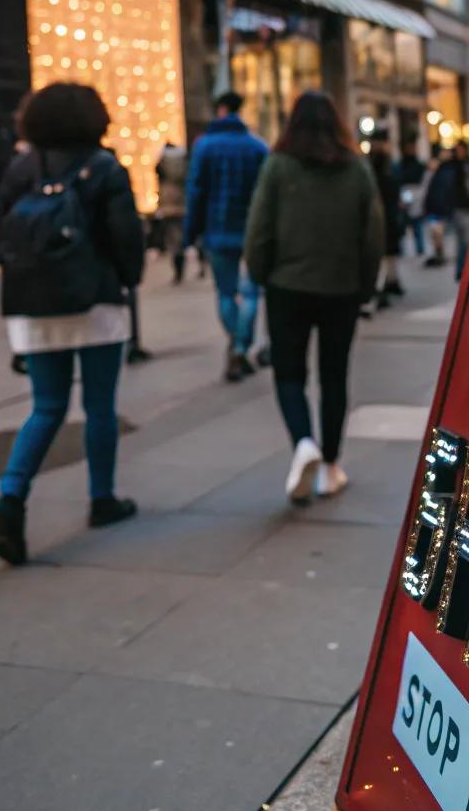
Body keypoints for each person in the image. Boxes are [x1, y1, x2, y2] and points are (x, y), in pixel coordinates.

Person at [0, 82, 145, 566]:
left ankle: (11, 497)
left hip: (34, 305)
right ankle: (102, 499)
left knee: (46, 407)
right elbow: (125, 237)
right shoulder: (105, 167)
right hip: (94, 300)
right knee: (99, 407)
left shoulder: (20, 168)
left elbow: (0, 237)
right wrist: (127, 280)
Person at [245, 90, 383, 504]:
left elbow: (259, 229)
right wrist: (366, 286)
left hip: (287, 287)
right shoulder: (356, 169)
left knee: (289, 373)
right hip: (341, 287)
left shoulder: (278, 166)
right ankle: (330, 466)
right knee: (334, 375)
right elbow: (373, 234)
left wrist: (260, 274)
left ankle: (304, 441)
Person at [184, 91, 267, 381]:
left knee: (225, 292)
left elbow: (195, 191)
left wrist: (190, 232)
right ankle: (243, 345)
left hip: (217, 228)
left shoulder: (205, 147)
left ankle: (236, 344)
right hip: (251, 229)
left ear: (220, 109)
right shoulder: (256, 147)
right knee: (252, 291)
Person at [433, 140, 469, 280]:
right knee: (463, 241)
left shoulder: (468, 166)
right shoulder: (453, 167)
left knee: (465, 240)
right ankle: (463, 269)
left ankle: (464, 269)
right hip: (459, 207)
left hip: (467, 206)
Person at [368, 128, 404, 307]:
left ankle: (389, 282)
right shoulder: (374, 163)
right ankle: (381, 286)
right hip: (380, 212)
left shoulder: (388, 164)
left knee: (388, 252)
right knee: (382, 252)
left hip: (389, 212)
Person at [155, 141, 190, 283]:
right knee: (181, 235)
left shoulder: (162, 163)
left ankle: (178, 268)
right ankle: (184, 260)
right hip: (183, 201)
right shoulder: (185, 161)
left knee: (172, 236)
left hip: (168, 202)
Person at [395, 140, 427, 257]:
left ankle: (420, 247)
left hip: (415, 191)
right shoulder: (401, 165)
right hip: (406, 191)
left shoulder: (418, 164)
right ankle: (403, 248)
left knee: (417, 220)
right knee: (404, 220)